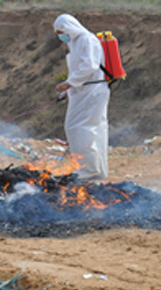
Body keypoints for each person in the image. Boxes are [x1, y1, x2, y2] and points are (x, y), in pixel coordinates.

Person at [54, 14, 110, 180]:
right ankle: (98, 171)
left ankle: (87, 170)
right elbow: (80, 70)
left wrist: (70, 83)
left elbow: (89, 66)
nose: (61, 35)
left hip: (91, 92)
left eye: (61, 31)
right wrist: (68, 91)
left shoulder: (87, 39)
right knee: (95, 129)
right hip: (86, 91)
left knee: (78, 128)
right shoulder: (75, 42)